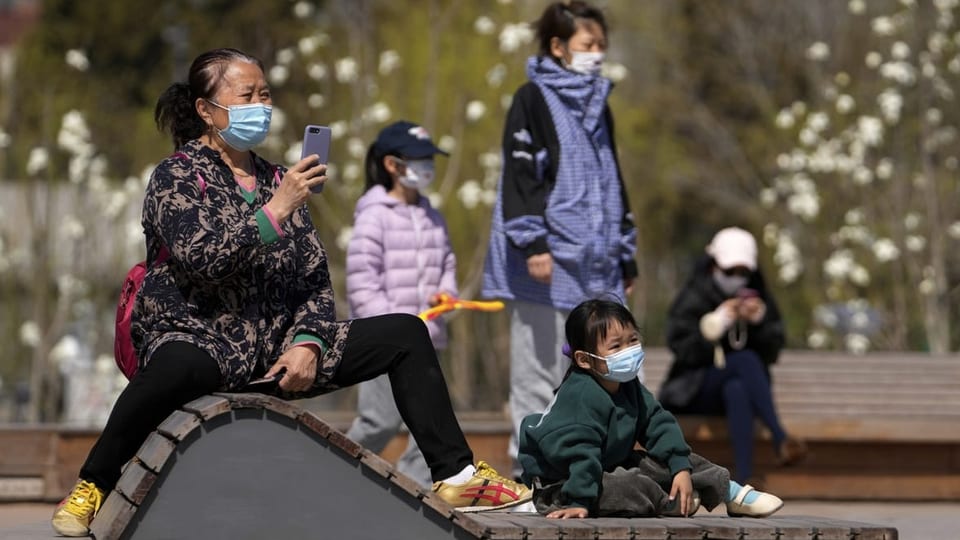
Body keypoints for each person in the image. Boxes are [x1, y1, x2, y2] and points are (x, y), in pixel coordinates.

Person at [51, 48, 529, 538]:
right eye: (247, 95)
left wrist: (308, 343)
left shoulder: (282, 179)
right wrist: (272, 213)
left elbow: (314, 280)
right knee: (172, 367)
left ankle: (456, 474)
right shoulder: (176, 177)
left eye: (265, 94)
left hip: (278, 352)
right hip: (201, 340)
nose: (261, 104)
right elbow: (203, 259)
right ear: (206, 110)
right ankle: (94, 483)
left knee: (405, 333)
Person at [481, 0, 638, 479]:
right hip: (546, 262)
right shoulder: (531, 99)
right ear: (558, 47)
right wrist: (533, 243)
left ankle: (605, 466)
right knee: (539, 372)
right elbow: (522, 175)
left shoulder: (598, 105)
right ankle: (530, 472)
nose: (597, 53)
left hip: (595, 262)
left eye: (602, 46)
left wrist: (625, 254)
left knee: (611, 371)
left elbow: (612, 177)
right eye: (588, 45)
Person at [518, 298, 784, 519]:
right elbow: (581, 454)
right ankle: (670, 502)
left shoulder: (627, 385)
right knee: (623, 486)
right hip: (565, 485)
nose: (629, 350)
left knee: (670, 459)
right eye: (616, 346)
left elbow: (658, 423)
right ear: (584, 360)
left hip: (606, 464)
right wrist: (578, 501)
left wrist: (679, 467)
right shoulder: (580, 396)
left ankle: (729, 491)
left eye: (633, 340)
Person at [344, 120, 456, 487]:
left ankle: (414, 494)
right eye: (420, 159)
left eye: (430, 159)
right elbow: (361, 283)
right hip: (386, 345)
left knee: (428, 423)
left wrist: (446, 292)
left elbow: (447, 262)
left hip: (428, 339)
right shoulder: (374, 215)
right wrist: (390, 328)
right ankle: (334, 475)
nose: (428, 167)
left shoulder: (432, 215)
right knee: (380, 421)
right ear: (392, 164)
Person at [658, 227, 807, 485]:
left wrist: (759, 322)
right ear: (714, 264)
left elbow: (772, 352)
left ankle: (742, 481)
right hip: (693, 390)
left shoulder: (758, 296)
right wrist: (717, 324)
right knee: (744, 360)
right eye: (730, 271)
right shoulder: (695, 294)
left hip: (732, 394)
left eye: (743, 273)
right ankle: (780, 437)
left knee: (737, 388)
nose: (737, 278)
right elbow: (680, 346)